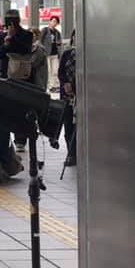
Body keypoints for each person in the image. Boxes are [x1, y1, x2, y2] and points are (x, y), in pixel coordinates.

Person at [0, 10, 35, 153]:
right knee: (5, 109)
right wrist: (5, 44)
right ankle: (4, 140)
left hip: (23, 77)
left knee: (21, 109)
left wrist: (13, 38)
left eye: (13, 20)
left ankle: (21, 139)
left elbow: (26, 50)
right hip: (6, 76)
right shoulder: (2, 36)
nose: (10, 23)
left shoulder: (27, 35)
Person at [58, 30, 77, 167]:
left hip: (80, 96)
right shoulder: (67, 54)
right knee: (68, 126)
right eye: (75, 36)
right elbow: (61, 72)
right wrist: (66, 84)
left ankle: (78, 153)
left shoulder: (87, 56)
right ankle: (71, 154)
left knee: (78, 127)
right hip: (67, 96)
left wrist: (74, 86)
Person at [40, 16, 63, 91]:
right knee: (49, 70)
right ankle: (50, 86)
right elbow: (40, 40)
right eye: (53, 21)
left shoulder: (57, 32)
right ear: (49, 21)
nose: (54, 23)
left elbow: (59, 43)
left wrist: (59, 44)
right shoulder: (45, 30)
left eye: (56, 22)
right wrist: (42, 50)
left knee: (55, 70)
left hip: (55, 53)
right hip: (47, 53)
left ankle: (55, 85)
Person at [29, 27, 49, 92]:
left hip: (38, 80)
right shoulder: (32, 47)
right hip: (34, 80)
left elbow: (34, 63)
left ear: (37, 36)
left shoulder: (39, 48)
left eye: (32, 34)